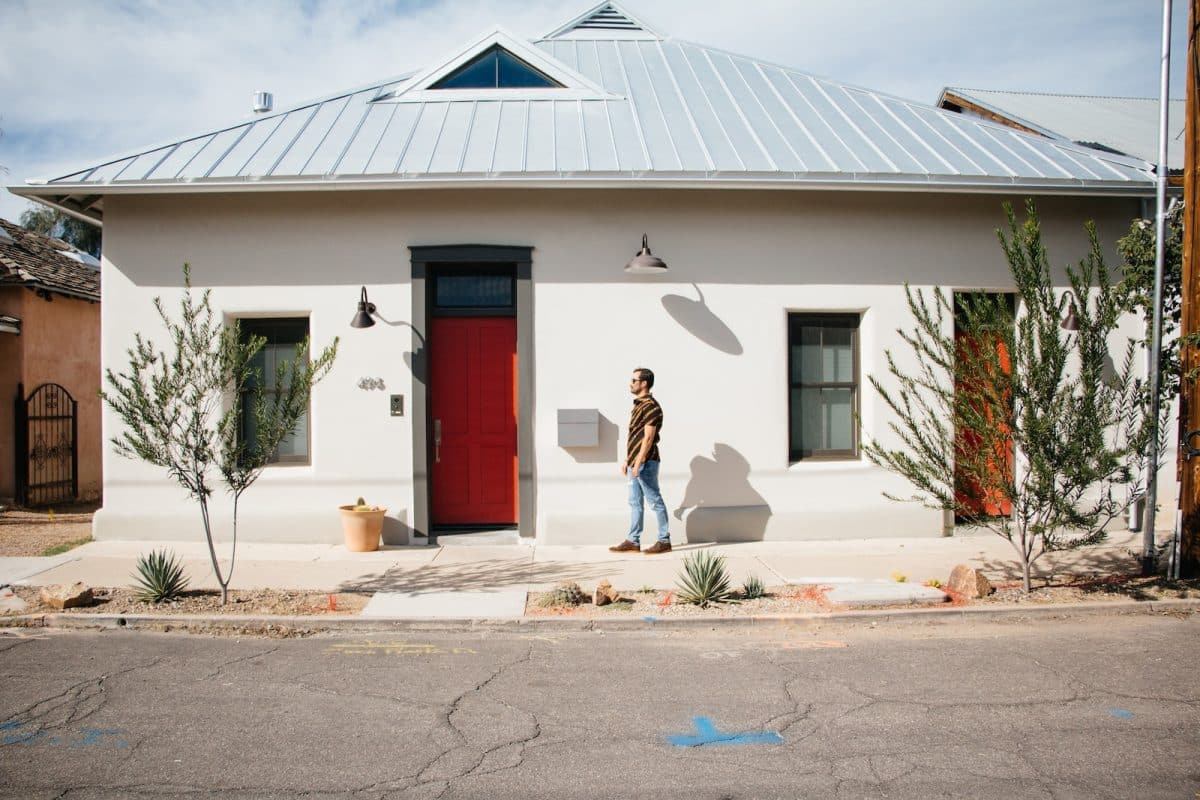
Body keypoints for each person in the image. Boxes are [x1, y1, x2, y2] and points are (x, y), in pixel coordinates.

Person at [610, 367, 671, 554]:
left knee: (654, 500)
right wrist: (628, 461)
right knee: (634, 502)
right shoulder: (638, 405)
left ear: (644, 383)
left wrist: (638, 462)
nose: (631, 383)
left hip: (646, 463)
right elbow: (635, 437)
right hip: (634, 462)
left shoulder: (652, 406)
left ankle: (664, 540)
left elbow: (648, 438)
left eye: (634, 380)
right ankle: (633, 540)